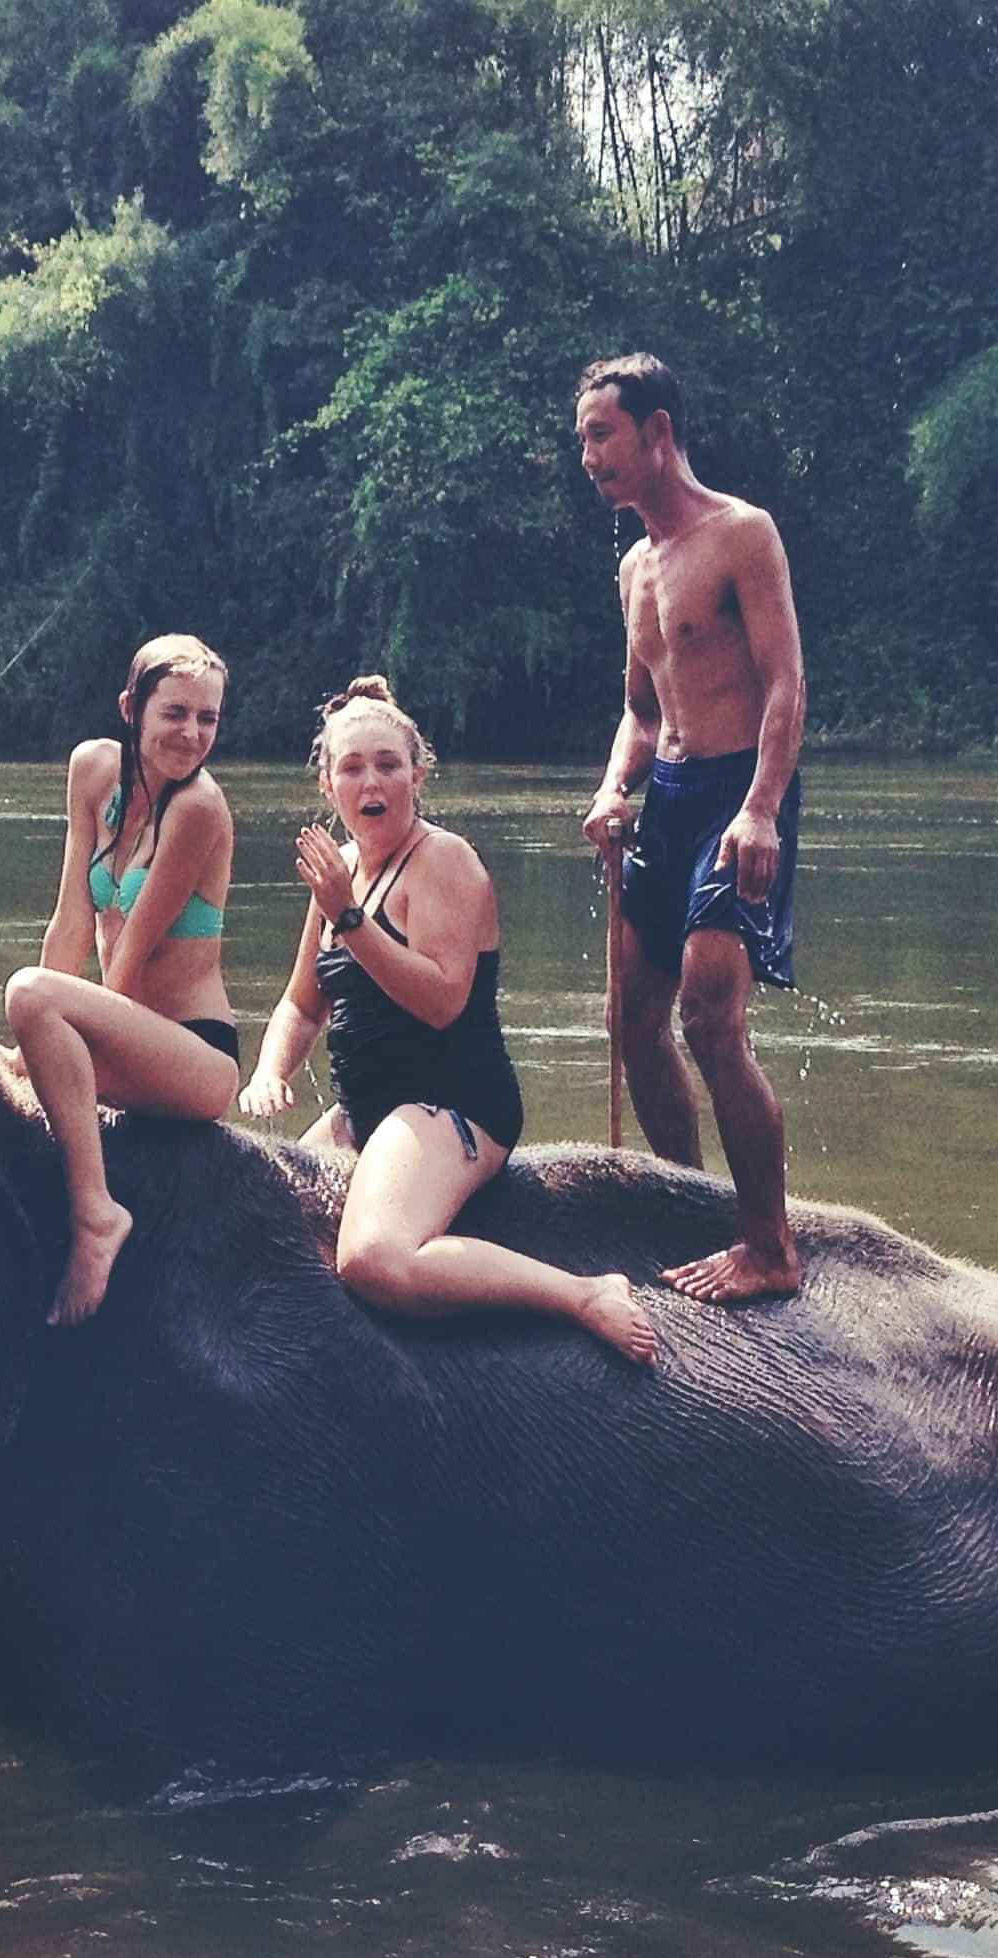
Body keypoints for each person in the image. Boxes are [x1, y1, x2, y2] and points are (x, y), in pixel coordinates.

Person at [242, 678, 657, 1365]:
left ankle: (584, 1294)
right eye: (351, 767)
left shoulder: (443, 860)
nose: (371, 781)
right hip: (364, 1109)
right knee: (264, 1231)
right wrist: (269, 1071)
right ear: (328, 786)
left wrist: (350, 917)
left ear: (417, 775)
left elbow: (442, 1001)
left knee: (373, 1259)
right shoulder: (338, 872)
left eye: (387, 764)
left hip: (450, 1101)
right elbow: (300, 1003)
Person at [574, 352, 809, 1305]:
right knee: (634, 1019)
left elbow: (788, 684)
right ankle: (686, 1203)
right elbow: (639, 707)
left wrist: (759, 809)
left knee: (711, 1018)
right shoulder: (634, 566)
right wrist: (610, 789)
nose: (588, 457)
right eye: (581, 438)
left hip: (736, 793)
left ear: (658, 433)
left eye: (602, 435)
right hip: (668, 796)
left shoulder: (742, 534)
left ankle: (769, 1244)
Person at [5, 633, 243, 1325]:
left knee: (27, 993)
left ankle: (96, 1216)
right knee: (29, 1004)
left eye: (209, 718)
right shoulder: (90, 770)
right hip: (123, 1029)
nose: (193, 734)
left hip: (194, 1055)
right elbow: (71, 923)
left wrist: (41, 1043)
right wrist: (29, 1053)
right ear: (131, 708)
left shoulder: (199, 808)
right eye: (175, 713)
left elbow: (127, 964)